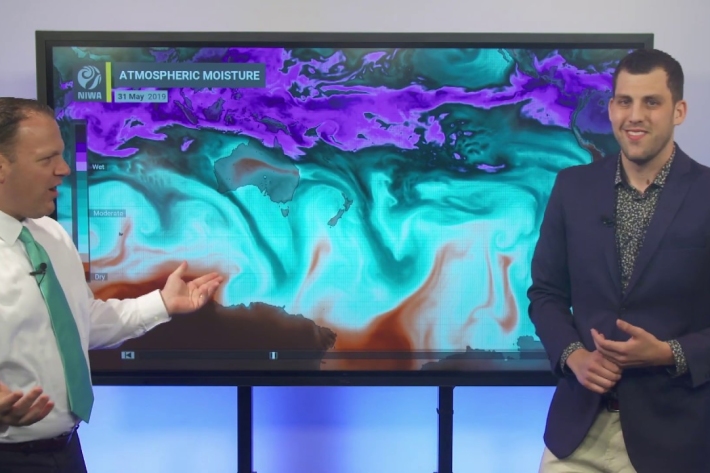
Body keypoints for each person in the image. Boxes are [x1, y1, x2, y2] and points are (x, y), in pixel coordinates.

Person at [0, 97, 224, 472]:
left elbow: (80, 322)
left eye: (62, 155)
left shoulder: (51, 236)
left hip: (66, 452)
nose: (64, 169)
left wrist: (162, 303)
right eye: (46, 159)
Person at [528, 48, 710, 473]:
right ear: (611, 109)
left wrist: (669, 352)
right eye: (625, 101)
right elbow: (546, 293)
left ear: (679, 111)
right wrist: (574, 355)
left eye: (652, 102)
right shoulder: (572, 187)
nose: (635, 116)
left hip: (675, 439)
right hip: (578, 431)